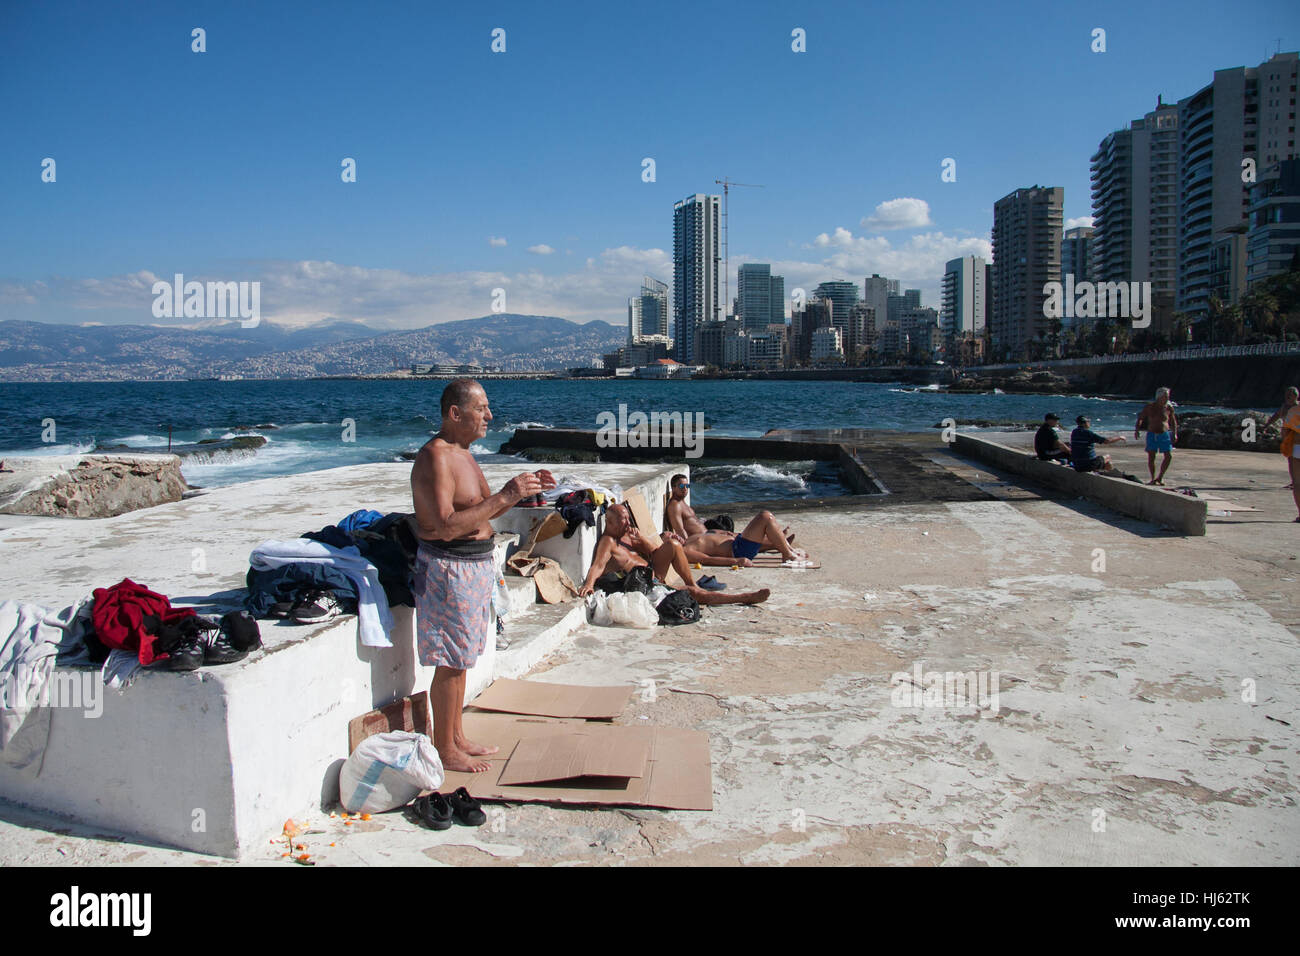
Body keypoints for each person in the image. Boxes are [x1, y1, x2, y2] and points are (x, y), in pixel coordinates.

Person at [410, 378, 556, 773]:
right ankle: (444, 748)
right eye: (481, 409)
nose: (489, 416)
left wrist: (526, 490)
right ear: (455, 414)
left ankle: (456, 737)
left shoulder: (465, 453)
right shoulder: (436, 457)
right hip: (448, 568)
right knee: (450, 661)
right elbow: (444, 525)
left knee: (464, 658)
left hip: (474, 567)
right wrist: (507, 496)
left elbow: (481, 509)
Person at [577, 503, 770, 606]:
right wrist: (588, 584)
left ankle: (692, 583)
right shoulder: (608, 541)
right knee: (693, 595)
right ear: (610, 524)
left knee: (673, 544)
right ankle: (743, 598)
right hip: (642, 585)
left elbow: (655, 551)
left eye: (628, 519)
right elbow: (598, 566)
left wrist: (641, 539)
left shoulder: (628, 536)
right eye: (622, 521)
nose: (628, 524)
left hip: (651, 573)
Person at [664, 473, 797, 551]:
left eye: (687, 486)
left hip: (708, 532)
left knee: (740, 536)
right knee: (740, 541)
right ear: (674, 488)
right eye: (682, 486)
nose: (685, 489)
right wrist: (690, 546)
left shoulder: (682, 502)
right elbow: (680, 529)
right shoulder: (675, 505)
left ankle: (778, 540)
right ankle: (778, 543)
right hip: (703, 539)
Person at [1135, 387, 1178, 485]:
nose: (1167, 398)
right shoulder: (1150, 406)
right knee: (1151, 457)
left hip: (1164, 434)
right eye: (1165, 396)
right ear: (1159, 397)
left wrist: (1174, 433)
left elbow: (1173, 421)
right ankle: (1153, 478)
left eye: (1168, 396)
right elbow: (1141, 417)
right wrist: (1137, 429)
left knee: (1168, 456)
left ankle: (1160, 477)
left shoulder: (1169, 407)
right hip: (1152, 434)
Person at [1264, 386, 1299, 490]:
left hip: (1297, 439)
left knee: (1296, 460)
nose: (1288, 396)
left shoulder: (1298, 407)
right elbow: (1276, 416)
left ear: (1296, 396)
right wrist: (1266, 425)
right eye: (1287, 394)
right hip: (1287, 439)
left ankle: (1296, 482)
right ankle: (1294, 481)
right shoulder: (1284, 407)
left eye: (1291, 394)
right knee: (1291, 461)